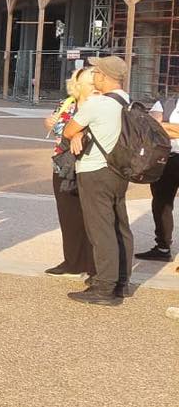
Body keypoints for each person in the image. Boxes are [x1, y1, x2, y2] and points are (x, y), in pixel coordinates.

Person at [63, 56, 136, 304]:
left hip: (95, 171)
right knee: (119, 225)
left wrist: (79, 131)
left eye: (96, 72)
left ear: (104, 77)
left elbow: (68, 130)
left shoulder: (97, 103)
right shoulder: (129, 102)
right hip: (119, 170)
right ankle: (122, 281)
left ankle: (104, 286)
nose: (94, 76)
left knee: (100, 228)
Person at [43, 66, 96, 283]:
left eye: (96, 82)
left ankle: (94, 264)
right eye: (89, 82)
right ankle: (73, 261)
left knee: (92, 217)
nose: (94, 86)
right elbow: (58, 128)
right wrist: (50, 123)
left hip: (90, 166)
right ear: (78, 85)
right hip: (64, 166)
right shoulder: (68, 103)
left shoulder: (100, 105)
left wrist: (80, 132)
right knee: (68, 215)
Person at [136, 89, 179, 262]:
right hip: (167, 160)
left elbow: (158, 127)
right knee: (161, 203)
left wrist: (164, 126)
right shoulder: (165, 102)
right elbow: (150, 127)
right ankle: (162, 247)